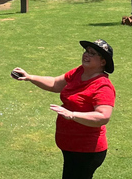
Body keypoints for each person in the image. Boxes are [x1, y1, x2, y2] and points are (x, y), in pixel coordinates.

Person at [11, 39, 116, 179]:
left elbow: (103, 116)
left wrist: (72, 115)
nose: (86, 55)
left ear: (103, 62)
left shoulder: (103, 86)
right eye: (86, 51)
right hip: (70, 146)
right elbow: (55, 83)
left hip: (87, 150)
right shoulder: (79, 72)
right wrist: (30, 77)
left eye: (92, 53)